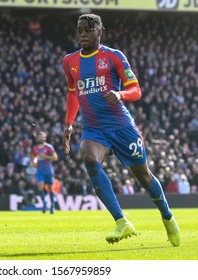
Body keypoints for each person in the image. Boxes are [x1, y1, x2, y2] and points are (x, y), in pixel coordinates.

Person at [62, 14, 181, 246]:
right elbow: (73, 92)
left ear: (99, 31)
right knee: (87, 155)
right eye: (79, 30)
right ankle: (121, 221)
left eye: (88, 29)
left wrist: (120, 94)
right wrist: (68, 123)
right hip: (94, 129)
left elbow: (136, 90)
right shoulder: (69, 61)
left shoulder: (113, 56)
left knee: (144, 177)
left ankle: (167, 217)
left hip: (122, 127)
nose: (82, 33)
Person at [32, 131, 58, 214]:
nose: (41, 138)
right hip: (40, 170)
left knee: (50, 188)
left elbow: (55, 158)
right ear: (37, 138)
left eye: (42, 137)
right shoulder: (35, 148)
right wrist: (34, 162)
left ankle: (52, 205)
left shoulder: (49, 147)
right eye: (40, 137)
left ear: (45, 138)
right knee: (40, 187)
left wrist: (46, 156)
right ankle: (44, 204)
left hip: (48, 170)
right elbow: (34, 158)